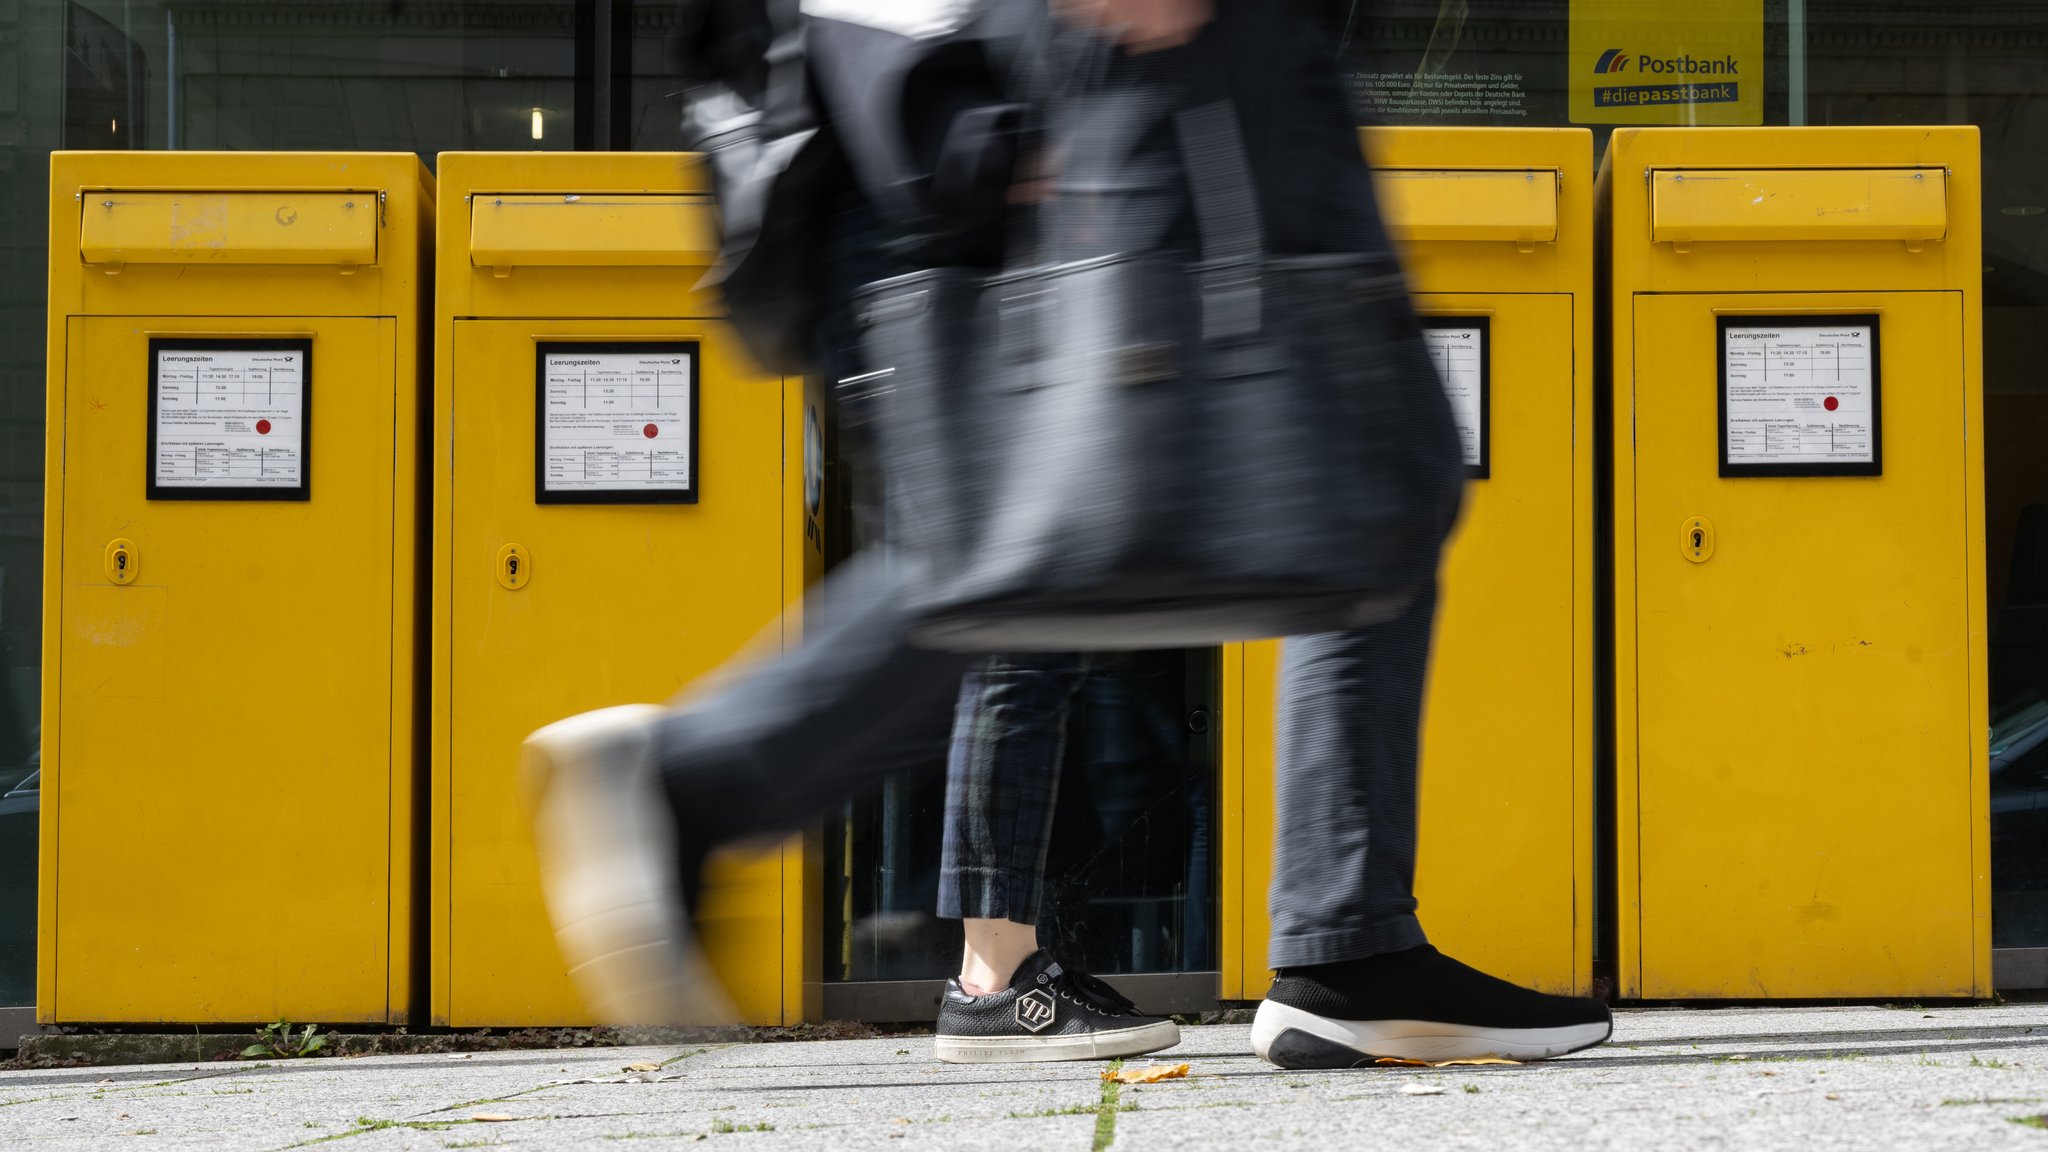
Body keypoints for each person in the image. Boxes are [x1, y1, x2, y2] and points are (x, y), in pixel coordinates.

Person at [525, 0, 1612, 1068]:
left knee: (1103, 512)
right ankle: (1339, 947)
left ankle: (1343, 942)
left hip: (1112, 52)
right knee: (1327, 465)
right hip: (1143, 40)